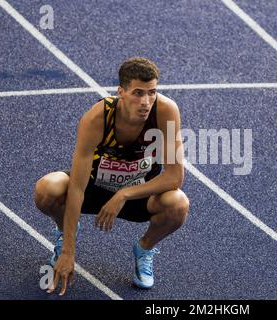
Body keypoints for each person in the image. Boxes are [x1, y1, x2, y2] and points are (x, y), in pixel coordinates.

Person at [33, 57, 189, 295]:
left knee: (178, 204)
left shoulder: (166, 112)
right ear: (121, 92)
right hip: (94, 190)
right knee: (47, 189)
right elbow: (76, 185)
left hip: (138, 196)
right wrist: (68, 250)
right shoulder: (98, 118)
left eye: (152, 92)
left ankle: (145, 249)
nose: (146, 102)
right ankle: (63, 235)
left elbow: (174, 177)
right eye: (138, 93)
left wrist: (124, 194)